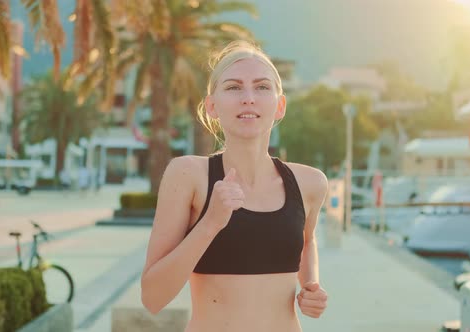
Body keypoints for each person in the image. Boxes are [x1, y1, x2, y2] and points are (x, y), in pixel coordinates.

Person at [140, 40, 329, 332]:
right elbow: (153, 298)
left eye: (262, 87)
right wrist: (210, 223)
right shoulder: (188, 175)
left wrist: (311, 285)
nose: (248, 98)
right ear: (212, 106)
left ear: (280, 106)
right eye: (233, 87)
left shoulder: (310, 183)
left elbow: (306, 241)